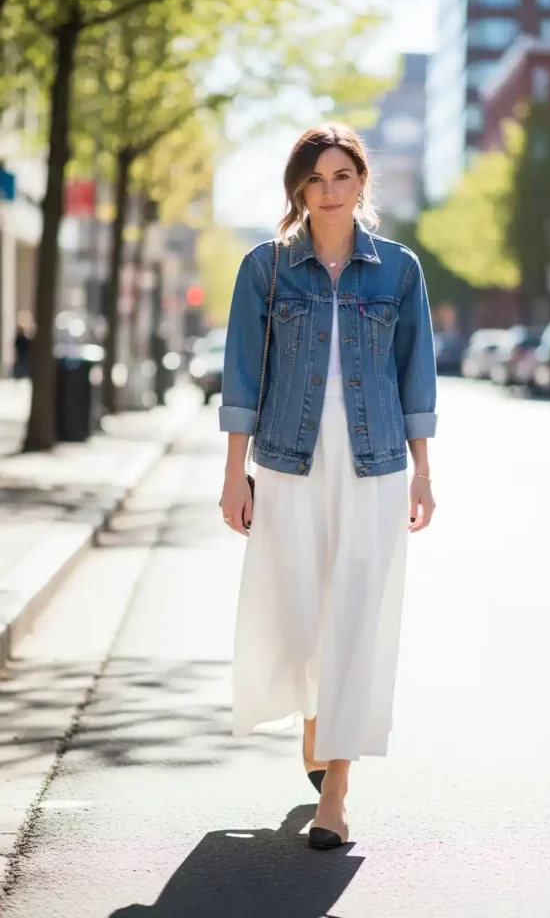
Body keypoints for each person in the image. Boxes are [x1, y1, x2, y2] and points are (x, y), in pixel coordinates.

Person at [219, 123, 437, 849]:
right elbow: (244, 373)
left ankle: (336, 791)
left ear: (361, 183)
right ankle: (317, 721)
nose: (329, 191)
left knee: (357, 615)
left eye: (342, 176)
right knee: (298, 613)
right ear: (298, 191)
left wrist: (424, 473)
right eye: (316, 179)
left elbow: (415, 374)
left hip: (376, 464)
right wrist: (234, 476)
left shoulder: (399, 271)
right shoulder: (267, 267)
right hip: (286, 460)